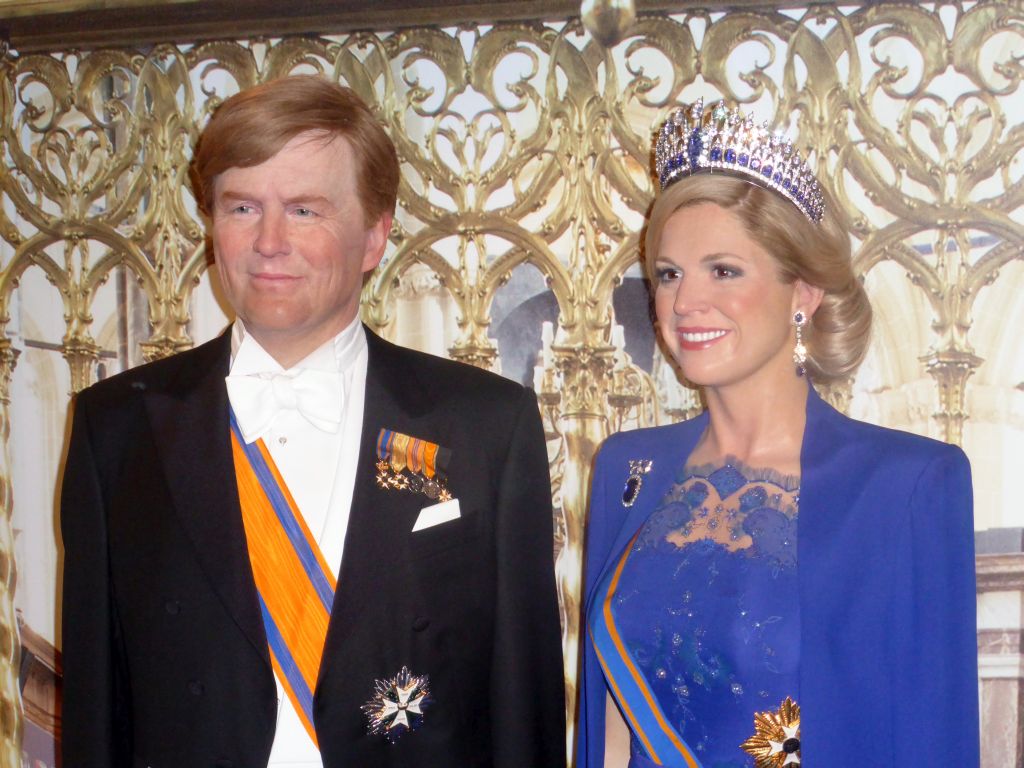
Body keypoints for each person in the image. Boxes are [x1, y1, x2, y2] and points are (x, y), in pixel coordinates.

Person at [60, 74, 566, 768]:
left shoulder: (485, 427)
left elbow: (523, 711)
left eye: (305, 210)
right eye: (242, 206)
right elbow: (95, 711)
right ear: (212, 226)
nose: (269, 242)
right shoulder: (114, 430)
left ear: (373, 237)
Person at [577, 100, 979, 767]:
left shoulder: (905, 486)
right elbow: (609, 725)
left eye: (724, 270)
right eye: (670, 273)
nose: (685, 302)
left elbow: (935, 735)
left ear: (805, 292)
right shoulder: (628, 470)